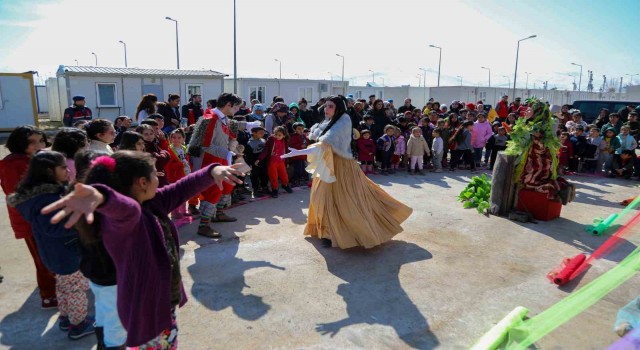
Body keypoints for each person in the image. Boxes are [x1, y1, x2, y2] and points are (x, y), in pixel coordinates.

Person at [41, 151, 246, 348]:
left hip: (160, 300)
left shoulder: (152, 201)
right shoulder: (121, 220)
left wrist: (213, 171)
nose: (158, 178)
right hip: (148, 309)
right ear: (142, 182)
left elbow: (182, 188)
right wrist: (104, 198)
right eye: (154, 173)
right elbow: (127, 211)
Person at [281, 95, 412, 249]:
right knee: (321, 197)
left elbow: (324, 143)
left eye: (331, 106)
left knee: (344, 200)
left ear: (339, 108)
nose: (326, 109)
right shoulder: (327, 121)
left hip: (342, 166)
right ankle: (326, 230)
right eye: (326, 106)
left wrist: (298, 152)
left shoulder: (344, 121)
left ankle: (336, 233)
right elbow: (317, 137)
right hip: (327, 164)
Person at [9, 151, 95, 340]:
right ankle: (78, 324)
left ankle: (66, 317)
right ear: (49, 171)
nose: (67, 171)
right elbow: (55, 227)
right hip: (66, 252)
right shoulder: (48, 199)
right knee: (76, 289)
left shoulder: (36, 197)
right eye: (63, 167)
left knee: (64, 286)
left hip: (53, 252)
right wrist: (79, 224)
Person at [187, 93, 261, 237]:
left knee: (228, 185)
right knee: (213, 190)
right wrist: (228, 153)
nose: (237, 110)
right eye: (236, 107)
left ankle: (219, 213)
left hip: (219, 158)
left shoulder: (219, 117)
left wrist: (246, 125)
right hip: (209, 160)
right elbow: (206, 146)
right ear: (228, 105)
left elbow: (229, 123)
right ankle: (204, 225)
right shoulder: (209, 119)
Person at [0, 126, 57, 308]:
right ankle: (49, 296)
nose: (39, 145)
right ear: (19, 143)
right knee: (43, 260)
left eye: (41, 140)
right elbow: (16, 193)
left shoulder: (34, 159)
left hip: (42, 217)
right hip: (30, 220)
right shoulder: (14, 163)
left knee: (49, 257)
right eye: (32, 142)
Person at [256, 126, 292, 198]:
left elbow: (286, 152)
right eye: (276, 134)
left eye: (279, 135)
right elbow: (265, 151)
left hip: (281, 161)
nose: (277, 136)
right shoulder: (271, 140)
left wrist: (287, 162)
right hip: (272, 162)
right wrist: (259, 159)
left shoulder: (284, 141)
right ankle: (274, 189)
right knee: (273, 177)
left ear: (284, 135)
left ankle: (285, 185)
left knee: (284, 175)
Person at [245, 127, 269, 195]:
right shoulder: (250, 143)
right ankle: (256, 189)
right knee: (255, 176)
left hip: (263, 160)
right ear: (254, 133)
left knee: (264, 174)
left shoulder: (263, 140)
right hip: (254, 161)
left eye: (263, 133)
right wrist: (251, 164)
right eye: (260, 133)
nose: (262, 134)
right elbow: (249, 155)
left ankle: (264, 187)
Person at [288, 122, 309, 186]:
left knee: (303, 169)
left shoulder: (304, 136)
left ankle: (301, 180)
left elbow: (306, 143)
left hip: (303, 156)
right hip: (297, 157)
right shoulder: (293, 137)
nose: (301, 130)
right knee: (298, 169)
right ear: (295, 130)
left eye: (302, 129)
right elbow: (291, 146)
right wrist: (300, 146)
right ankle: (295, 181)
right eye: (299, 129)